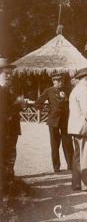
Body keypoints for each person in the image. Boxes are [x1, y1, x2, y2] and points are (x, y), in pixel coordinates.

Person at [35, 72, 73, 173]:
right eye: (58, 80)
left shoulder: (67, 90)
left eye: (62, 80)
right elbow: (37, 104)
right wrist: (49, 111)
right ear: (53, 81)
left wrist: (65, 98)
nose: (60, 82)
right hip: (53, 121)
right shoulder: (48, 91)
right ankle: (56, 167)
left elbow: (72, 103)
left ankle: (71, 165)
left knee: (68, 143)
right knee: (55, 144)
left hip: (65, 120)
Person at [0, 58, 23, 199]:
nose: (9, 76)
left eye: (10, 73)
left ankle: (9, 186)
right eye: (6, 73)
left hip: (11, 131)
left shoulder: (7, 90)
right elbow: (4, 113)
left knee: (10, 159)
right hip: (4, 132)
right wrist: (17, 104)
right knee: (5, 160)